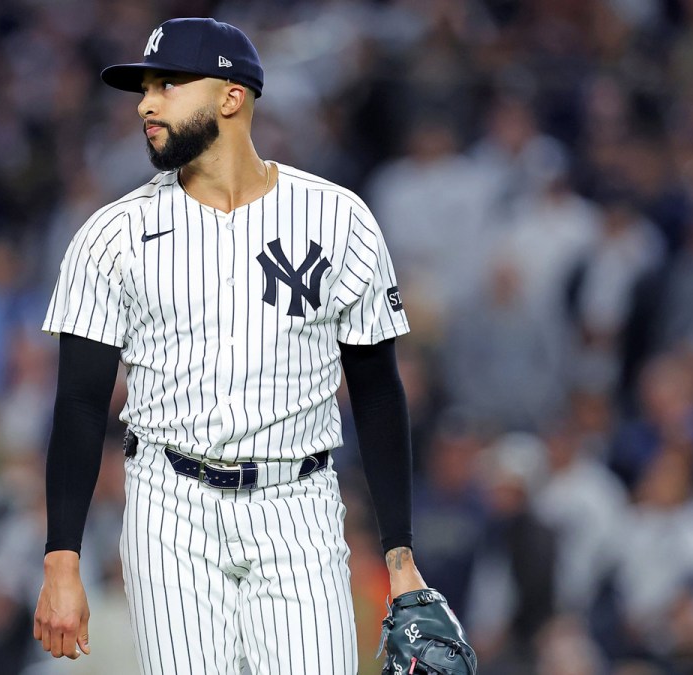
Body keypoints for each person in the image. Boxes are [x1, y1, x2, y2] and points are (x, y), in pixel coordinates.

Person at [33, 17, 444, 674]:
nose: (146, 102)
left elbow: (376, 388)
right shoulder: (111, 236)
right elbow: (80, 404)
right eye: (144, 88)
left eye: (167, 85)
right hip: (168, 504)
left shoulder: (337, 219)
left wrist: (400, 556)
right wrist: (61, 560)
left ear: (231, 96)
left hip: (298, 502)